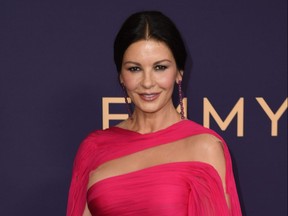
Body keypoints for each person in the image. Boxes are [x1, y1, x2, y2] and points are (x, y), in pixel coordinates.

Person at [66, 11, 242, 216]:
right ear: (121, 76)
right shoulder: (93, 148)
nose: (148, 83)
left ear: (179, 72)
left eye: (160, 67)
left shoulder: (204, 147)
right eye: (134, 69)